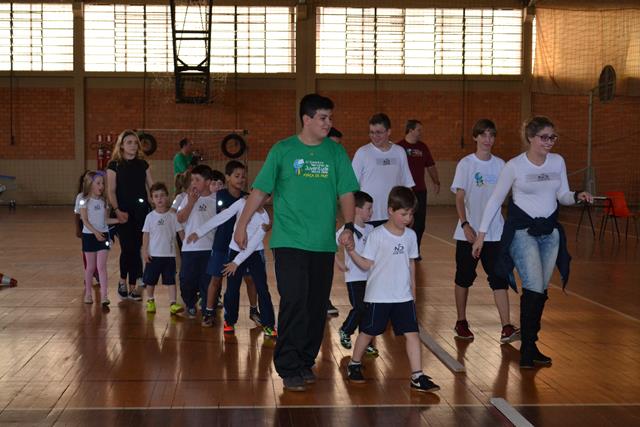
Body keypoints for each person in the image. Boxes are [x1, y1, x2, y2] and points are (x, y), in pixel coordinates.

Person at [234, 93, 359, 392]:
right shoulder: (283, 150)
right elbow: (260, 190)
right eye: (323, 118)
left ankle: (305, 360)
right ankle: (288, 364)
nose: (328, 123)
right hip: (289, 240)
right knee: (294, 300)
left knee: (316, 306)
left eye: (330, 118)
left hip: (323, 243)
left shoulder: (335, 153)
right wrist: (242, 224)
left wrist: (349, 226)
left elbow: (346, 192)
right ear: (307, 119)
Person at [472, 116, 593, 368]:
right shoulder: (514, 166)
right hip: (523, 232)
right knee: (533, 284)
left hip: (550, 234)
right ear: (530, 138)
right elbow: (495, 201)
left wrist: (576, 196)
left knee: (540, 289)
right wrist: (481, 235)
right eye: (544, 137)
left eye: (552, 137)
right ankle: (527, 349)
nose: (549, 142)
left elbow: (562, 195)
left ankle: (530, 343)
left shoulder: (557, 161)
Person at [345, 186, 440, 393]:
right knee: (368, 332)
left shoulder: (411, 236)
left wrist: (413, 291)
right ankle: (354, 363)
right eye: (403, 214)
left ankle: (417, 376)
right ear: (390, 210)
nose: (408, 218)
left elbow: (411, 264)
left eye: (411, 214)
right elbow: (366, 264)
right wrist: (351, 252)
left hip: (403, 296)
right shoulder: (377, 235)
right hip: (379, 296)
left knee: (412, 334)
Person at [450, 119, 519, 344]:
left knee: (499, 279)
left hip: (495, 233)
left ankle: (506, 327)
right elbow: (459, 197)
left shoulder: (501, 165)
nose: (488, 139)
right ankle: (461, 321)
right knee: (464, 277)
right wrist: (465, 224)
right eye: (483, 135)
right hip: (468, 233)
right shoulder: (466, 164)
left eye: (491, 135)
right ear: (475, 137)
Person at [188, 194, 277, 338]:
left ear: (268, 200)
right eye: (257, 194)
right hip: (235, 250)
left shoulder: (265, 218)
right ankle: (229, 321)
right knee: (232, 288)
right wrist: (199, 232)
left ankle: (268, 324)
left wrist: (236, 262)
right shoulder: (241, 203)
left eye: (265, 197)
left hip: (254, 253)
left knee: (262, 288)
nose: (260, 199)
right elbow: (223, 216)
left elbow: (253, 243)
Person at [200, 161, 260, 328]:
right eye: (237, 176)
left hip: (241, 246)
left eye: (243, 176)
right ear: (227, 177)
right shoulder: (218, 196)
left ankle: (254, 311)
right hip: (221, 245)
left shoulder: (248, 198)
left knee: (250, 279)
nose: (241, 179)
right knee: (216, 279)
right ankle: (209, 312)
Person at [107, 130, 153, 301]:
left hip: (141, 212)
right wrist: (117, 210)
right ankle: (122, 280)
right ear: (121, 146)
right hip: (123, 212)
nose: (133, 145)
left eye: (135, 142)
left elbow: (151, 187)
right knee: (128, 248)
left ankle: (133, 286)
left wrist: (159, 203)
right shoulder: (114, 165)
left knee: (137, 247)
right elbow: (111, 190)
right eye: (129, 142)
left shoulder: (143, 164)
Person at [352, 113, 414, 227]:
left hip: (394, 216)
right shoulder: (362, 153)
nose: (374, 136)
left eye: (379, 132)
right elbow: (351, 187)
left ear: (388, 131)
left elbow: (407, 184)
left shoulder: (399, 152)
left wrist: (409, 211)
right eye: (371, 132)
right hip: (369, 217)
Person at [335, 191, 378, 356]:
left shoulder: (371, 229)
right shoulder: (346, 230)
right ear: (357, 209)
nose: (372, 212)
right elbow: (331, 245)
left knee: (369, 310)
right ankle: (346, 330)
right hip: (354, 277)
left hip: (370, 278)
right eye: (369, 208)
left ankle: (366, 343)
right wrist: (339, 263)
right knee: (359, 307)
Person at [176, 164, 217, 318]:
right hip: (190, 248)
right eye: (192, 180)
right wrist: (191, 203)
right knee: (187, 280)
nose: (193, 183)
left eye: (197, 180)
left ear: (208, 182)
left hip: (209, 248)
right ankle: (190, 303)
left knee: (207, 281)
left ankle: (207, 308)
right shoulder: (187, 198)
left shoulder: (215, 200)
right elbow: (180, 218)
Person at [396, 120, 440, 259]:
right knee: (403, 221)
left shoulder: (423, 147)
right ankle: (400, 249)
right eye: (419, 130)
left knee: (420, 223)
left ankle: (415, 251)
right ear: (410, 130)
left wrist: (436, 181)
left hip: (420, 191)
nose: (421, 132)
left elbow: (431, 166)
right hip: (403, 192)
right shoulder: (399, 147)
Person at [142, 182, 185, 315]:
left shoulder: (173, 216)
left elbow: (181, 233)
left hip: (169, 255)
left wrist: (187, 247)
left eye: (162, 195)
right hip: (153, 255)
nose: (159, 199)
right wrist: (145, 251)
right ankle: (150, 300)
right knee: (150, 281)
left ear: (167, 197)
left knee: (171, 281)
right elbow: (146, 235)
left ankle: (172, 303)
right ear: (152, 199)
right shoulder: (150, 217)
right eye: (156, 196)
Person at [79, 171, 120, 307]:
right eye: (98, 183)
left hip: (103, 235)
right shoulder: (84, 200)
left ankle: (104, 296)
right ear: (90, 184)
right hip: (89, 236)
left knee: (101, 267)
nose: (101, 186)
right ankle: (88, 294)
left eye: (102, 183)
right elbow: (85, 220)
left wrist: (119, 220)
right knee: (90, 267)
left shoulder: (104, 201)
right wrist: (95, 232)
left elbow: (105, 220)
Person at [326, 127, 344, 316]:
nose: (335, 148)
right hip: (304, 225)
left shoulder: (336, 165)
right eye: (333, 144)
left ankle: (324, 299)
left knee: (325, 263)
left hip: (327, 222)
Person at [75, 170, 99, 288]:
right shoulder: (81, 197)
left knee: (99, 251)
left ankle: (97, 272)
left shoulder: (99, 197)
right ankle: (88, 274)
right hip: (85, 226)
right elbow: (77, 214)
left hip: (97, 225)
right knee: (87, 253)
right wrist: (77, 228)